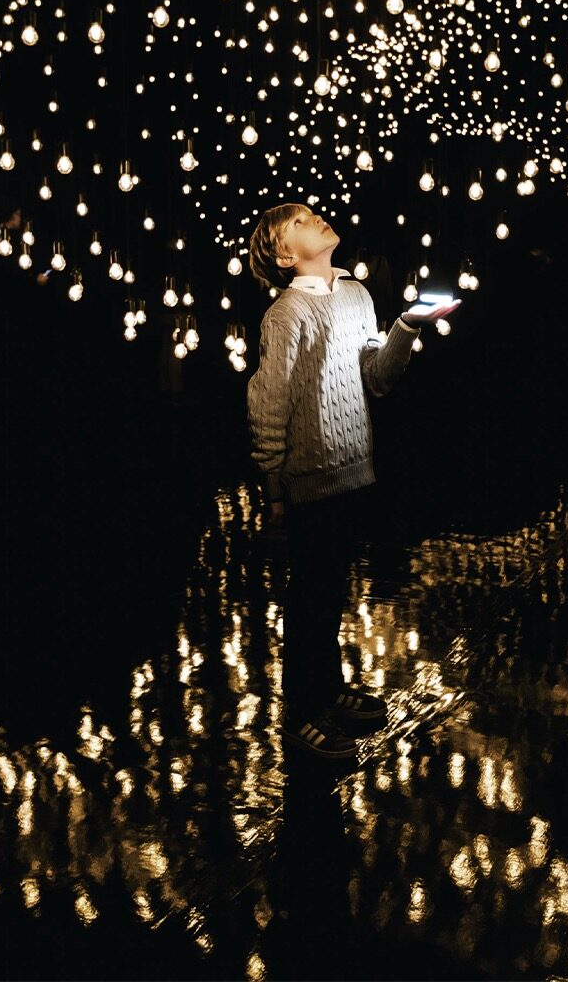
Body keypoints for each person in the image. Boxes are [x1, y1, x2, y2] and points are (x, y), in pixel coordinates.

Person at [247, 203, 461, 758]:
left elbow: (377, 378)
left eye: (312, 213)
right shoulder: (286, 315)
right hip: (308, 478)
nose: (316, 219)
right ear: (284, 255)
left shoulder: (357, 295)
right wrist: (272, 485)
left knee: (331, 590)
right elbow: (269, 402)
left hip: (352, 469)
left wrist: (406, 327)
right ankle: (302, 714)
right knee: (310, 601)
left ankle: (329, 690)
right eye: (300, 222)